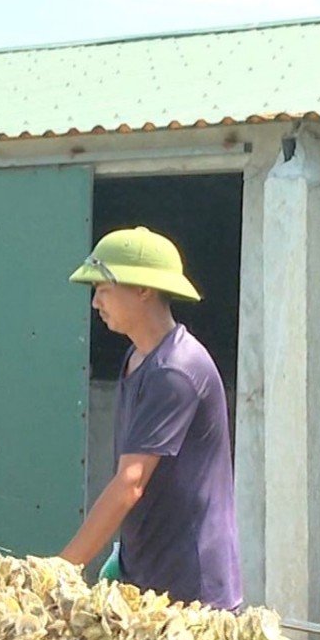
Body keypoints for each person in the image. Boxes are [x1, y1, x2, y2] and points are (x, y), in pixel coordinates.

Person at [58, 227, 241, 611]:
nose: (96, 303)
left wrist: (59, 569)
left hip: (191, 592)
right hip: (146, 577)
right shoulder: (138, 359)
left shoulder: (175, 370)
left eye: (104, 289)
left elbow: (131, 483)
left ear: (143, 289)